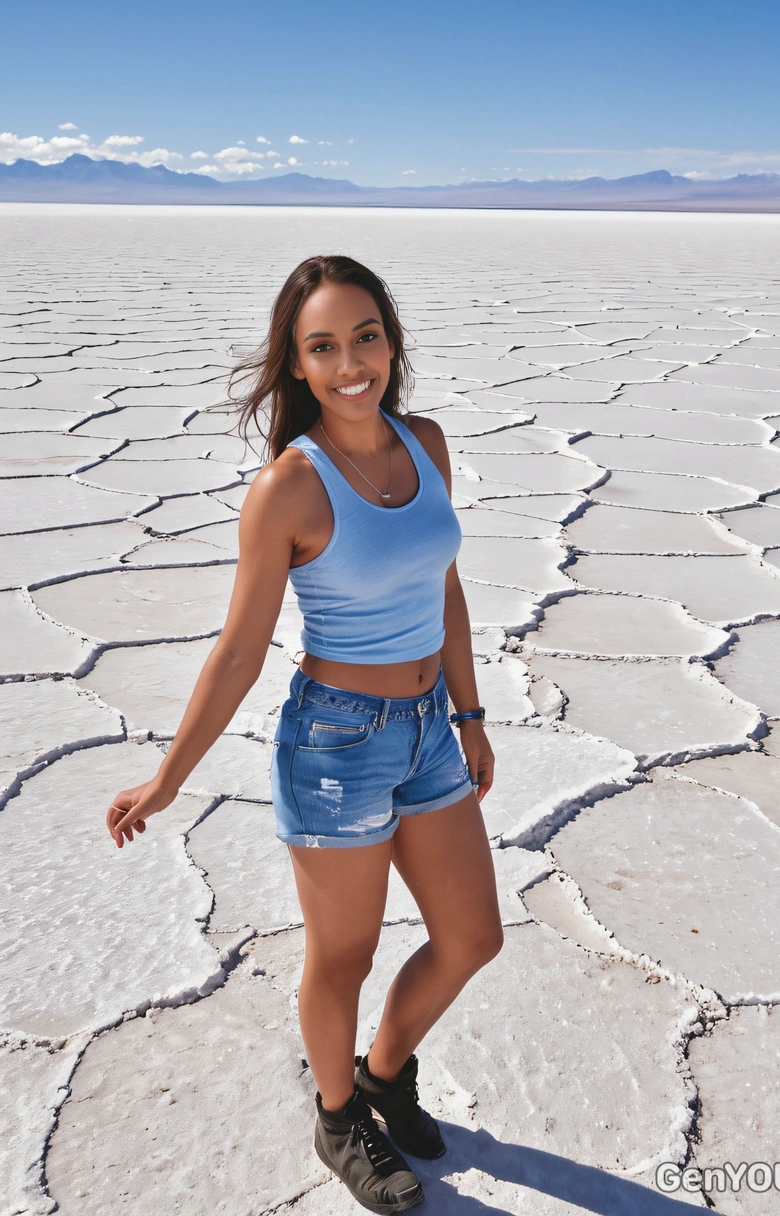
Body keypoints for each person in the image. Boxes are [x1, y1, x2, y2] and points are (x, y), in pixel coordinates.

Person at [105, 254, 503, 1214]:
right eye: (323, 347)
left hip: (430, 732)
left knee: (471, 938)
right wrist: (168, 780)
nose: (350, 363)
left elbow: (443, 587)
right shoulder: (289, 485)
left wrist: (469, 712)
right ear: (295, 364)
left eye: (366, 336)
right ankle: (337, 1120)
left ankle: (383, 1074)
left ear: (391, 341)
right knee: (344, 957)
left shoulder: (426, 443)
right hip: (336, 746)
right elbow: (239, 652)